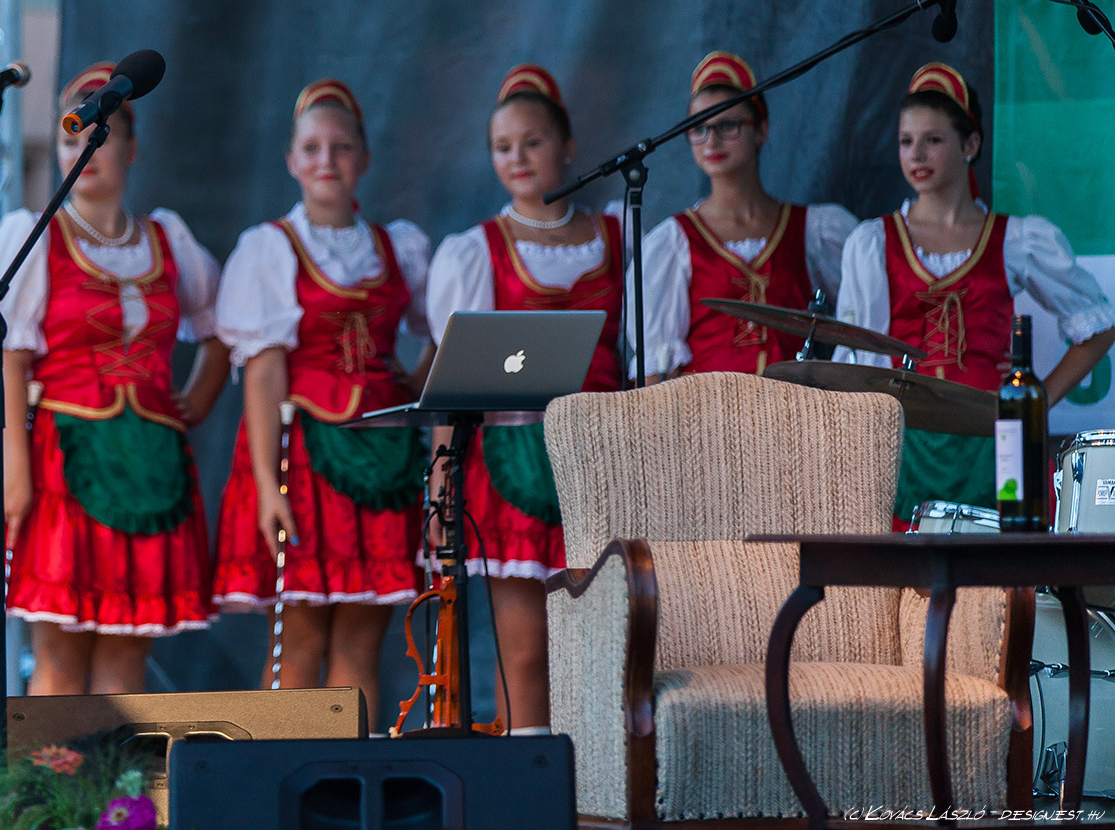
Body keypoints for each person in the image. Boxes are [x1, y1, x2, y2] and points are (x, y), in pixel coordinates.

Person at [0, 64, 228, 693]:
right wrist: (14, 473)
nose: (83, 152)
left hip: (151, 465)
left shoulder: (167, 239)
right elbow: (12, 357)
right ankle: (51, 766)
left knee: (127, 660)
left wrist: (193, 402)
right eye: (69, 139)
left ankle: (116, 766)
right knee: (59, 655)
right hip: (63, 459)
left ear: (130, 148)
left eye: (98, 137)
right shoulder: (35, 236)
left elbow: (222, 331)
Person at [212, 79, 433, 726]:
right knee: (301, 634)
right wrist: (266, 485)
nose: (326, 161)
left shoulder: (398, 246)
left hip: (385, 460)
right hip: (303, 458)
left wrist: (409, 385)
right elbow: (264, 375)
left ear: (364, 157)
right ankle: (283, 774)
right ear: (291, 161)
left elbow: (443, 329)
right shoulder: (271, 247)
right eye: (311, 148)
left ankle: (347, 777)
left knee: (362, 639)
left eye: (340, 147)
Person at [425, 65, 622, 732]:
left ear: (567, 146)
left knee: (600, 648)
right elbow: (455, 385)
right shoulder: (476, 252)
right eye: (502, 146)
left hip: (599, 460)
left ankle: (601, 782)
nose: (517, 158)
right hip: (515, 463)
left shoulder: (620, 237)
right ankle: (530, 774)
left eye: (532, 142)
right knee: (526, 652)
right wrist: (442, 485)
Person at [836, 63, 1115, 525]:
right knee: (908, 556)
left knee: (1005, 555)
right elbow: (855, 355)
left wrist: (1041, 398)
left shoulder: (1016, 239)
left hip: (996, 437)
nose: (916, 154)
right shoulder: (873, 242)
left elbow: (1098, 325)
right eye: (906, 140)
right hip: (910, 442)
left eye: (933, 139)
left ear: (970, 145)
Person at [634, 51, 858, 381]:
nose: (712, 140)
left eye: (728, 125)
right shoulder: (674, 241)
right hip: (707, 411)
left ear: (761, 130)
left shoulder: (813, 230)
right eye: (699, 128)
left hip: (793, 407)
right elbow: (655, 371)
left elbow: (862, 325)